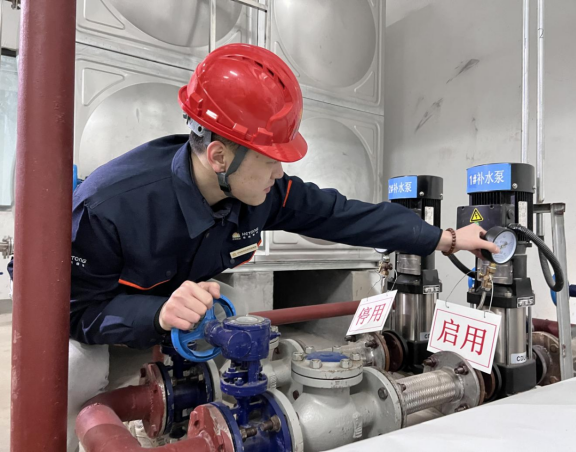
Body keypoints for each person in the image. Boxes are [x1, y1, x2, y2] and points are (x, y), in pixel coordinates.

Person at [8, 43, 498, 450]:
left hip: (176, 304)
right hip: (94, 313)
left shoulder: (256, 191)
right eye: (270, 159)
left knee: (234, 309)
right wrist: (156, 313)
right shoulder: (108, 208)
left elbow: (342, 214)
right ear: (219, 155)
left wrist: (445, 238)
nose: (280, 172)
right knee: (71, 369)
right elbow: (73, 310)